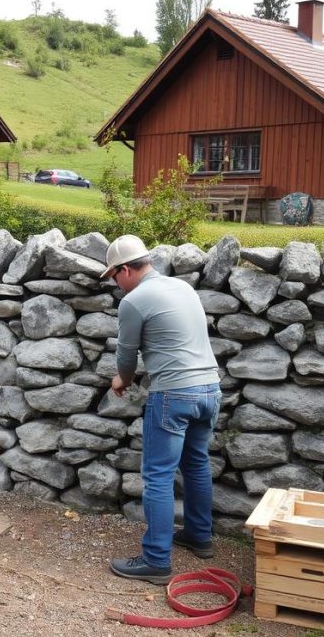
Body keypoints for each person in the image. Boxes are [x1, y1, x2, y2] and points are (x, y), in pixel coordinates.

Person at [103, 234, 221, 585]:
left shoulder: (134, 301)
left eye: (113, 276)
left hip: (173, 394)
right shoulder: (182, 288)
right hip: (210, 389)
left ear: (125, 269)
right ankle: (200, 536)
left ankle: (155, 560)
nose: (115, 284)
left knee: (157, 475)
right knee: (196, 463)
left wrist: (121, 380)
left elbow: (127, 356)